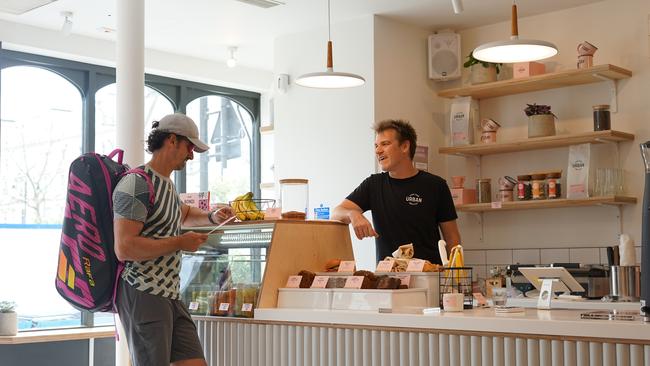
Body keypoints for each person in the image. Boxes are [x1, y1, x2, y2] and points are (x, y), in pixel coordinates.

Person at [112, 113, 234, 366]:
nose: (191, 155)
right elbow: (124, 248)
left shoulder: (165, 185)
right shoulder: (135, 184)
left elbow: (184, 214)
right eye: (189, 147)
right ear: (171, 140)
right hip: (143, 292)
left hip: (170, 294)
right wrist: (179, 243)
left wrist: (213, 216)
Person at [331, 119, 461, 264]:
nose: (378, 150)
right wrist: (353, 213)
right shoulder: (373, 184)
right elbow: (336, 213)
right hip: (388, 280)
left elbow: (452, 238)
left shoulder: (436, 185)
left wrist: (454, 278)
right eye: (376, 145)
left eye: (385, 144)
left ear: (405, 146)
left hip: (429, 277)